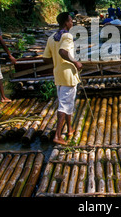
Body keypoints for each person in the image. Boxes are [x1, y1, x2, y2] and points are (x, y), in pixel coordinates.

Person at [42, 12, 82, 145]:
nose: (72, 23)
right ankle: (57, 136)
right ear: (66, 22)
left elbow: (46, 58)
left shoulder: (52, 37)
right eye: (71, 21)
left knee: (68, 103)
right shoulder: (67, 36)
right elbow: (63, 52)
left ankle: (69, 129)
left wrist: (57, 64)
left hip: (58, 74)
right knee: (64, 105)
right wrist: (75, 62)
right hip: (68, 75)